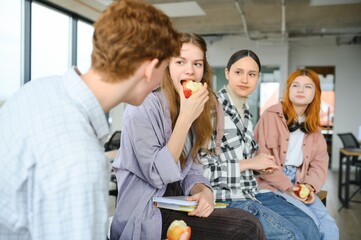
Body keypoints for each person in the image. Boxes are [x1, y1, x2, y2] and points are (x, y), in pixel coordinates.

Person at [0, 0, 181, 239]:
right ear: (149, 68)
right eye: (165, 69)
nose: (162, 82)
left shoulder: (35, 90)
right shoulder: (80, 158)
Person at [110, 33, 265, 240]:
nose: (190, 70)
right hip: (147, 212)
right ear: (166, 65)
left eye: (197, 64)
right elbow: (156, 174)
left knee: (248, 223)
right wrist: (185, 118)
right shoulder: (142, 106)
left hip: (179, 204)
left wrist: (204, 191)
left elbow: (193, 168)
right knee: (247, 228)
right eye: (181, 61)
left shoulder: (194, 104)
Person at [200, 49, 321, 240]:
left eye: (251, 74)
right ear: (227, 73)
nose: (245, 79)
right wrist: (250, 163)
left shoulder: (247, 113)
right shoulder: (210, 111)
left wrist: (262, 164)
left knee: (311, 228)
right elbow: (200, 172)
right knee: (293, 235)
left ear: (258, 78)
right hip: (227, 198)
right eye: (238, 72)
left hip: (253, 193)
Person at [254, 69, 339, 239]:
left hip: (301, 181)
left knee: (329, 225)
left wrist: (309, 186)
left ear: (315, 93)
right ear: (288, 90)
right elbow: (261, 158)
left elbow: (319, 163)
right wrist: (288, 187)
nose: (300, 90)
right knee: (311, 223)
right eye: (296, 85)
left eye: (308, 86)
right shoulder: (270, 115)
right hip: (272, 182)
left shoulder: (314, 126)